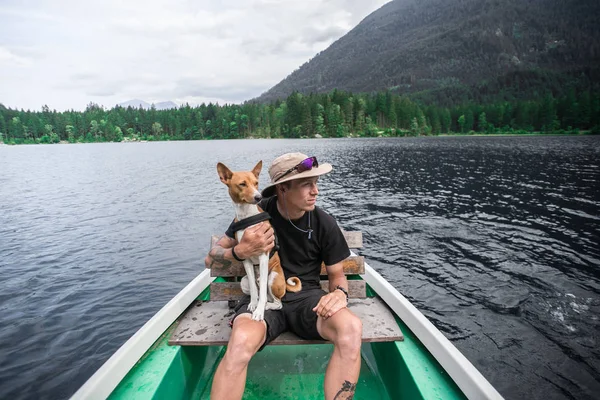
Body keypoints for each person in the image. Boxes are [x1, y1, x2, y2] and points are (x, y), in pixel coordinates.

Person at [205, 152, 363, 400]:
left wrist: (340, 294)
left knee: (351, 328)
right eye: (306, 184)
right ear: (282, 189)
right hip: (263, 298)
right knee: (239, 343)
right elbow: (210, 257)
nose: (316, 191)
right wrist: (239, 251)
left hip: (307, 298)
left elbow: (337, 276)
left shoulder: (324, 223)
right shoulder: (252, 213)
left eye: (316, 183)